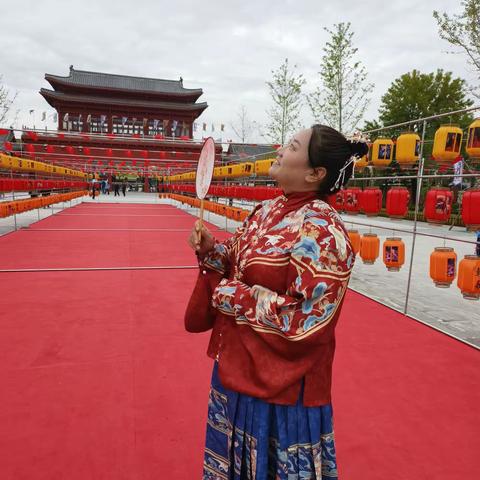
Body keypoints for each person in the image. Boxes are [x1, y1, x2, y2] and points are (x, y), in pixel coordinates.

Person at [187, 124, 368, 479]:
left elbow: (306, 319)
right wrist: (212, 252)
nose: (281, 150)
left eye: (292, 146)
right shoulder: (267, 211)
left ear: (315, 173)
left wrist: (229, 296)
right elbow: (234, 257)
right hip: (238, 363)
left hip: (284, 386)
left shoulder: (323, 232)